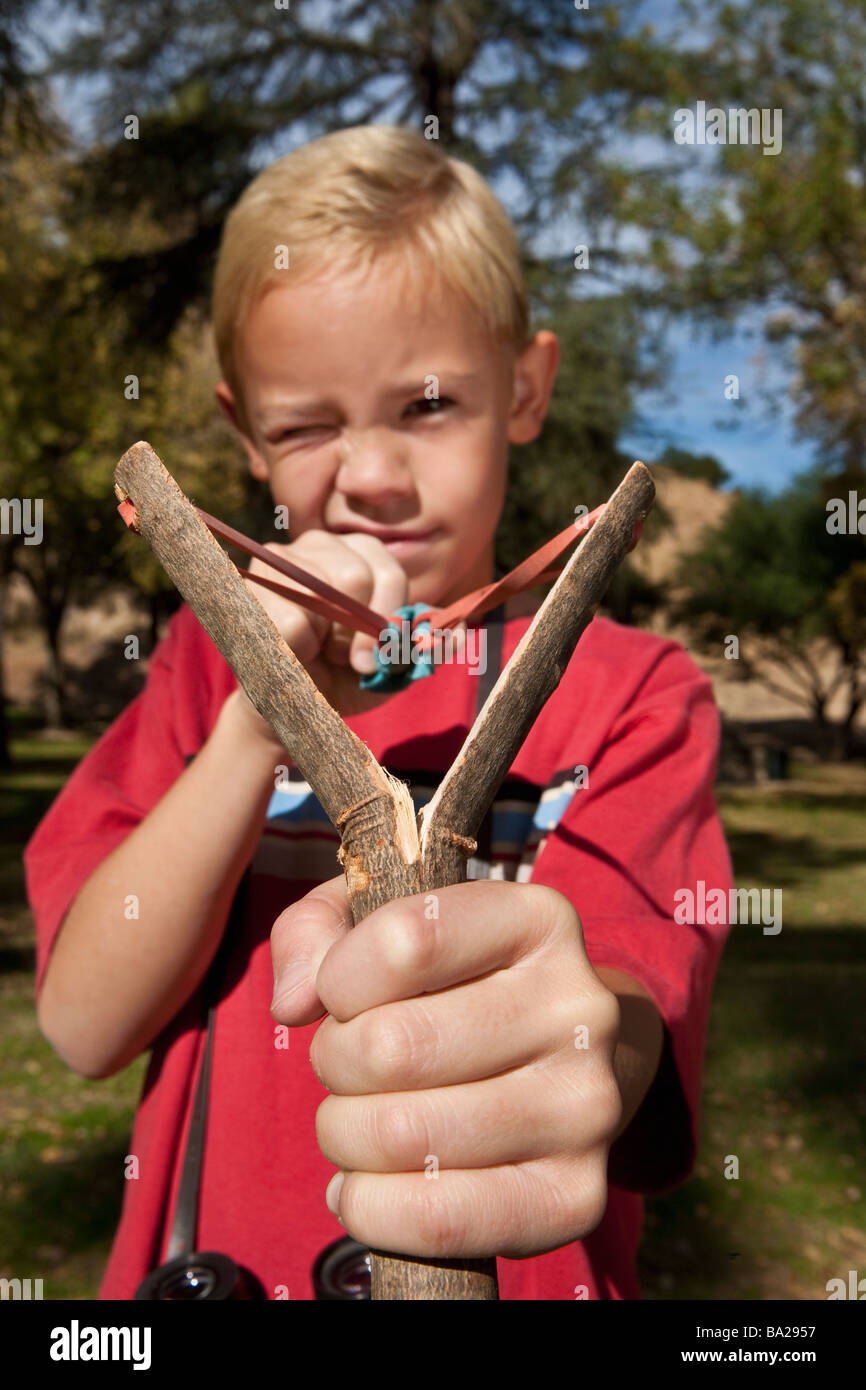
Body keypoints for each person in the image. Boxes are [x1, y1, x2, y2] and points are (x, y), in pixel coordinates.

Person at [24, 124, 733, 1301]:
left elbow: (625, 1020)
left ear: (526, 387)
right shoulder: (201, 677)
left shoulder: (631, 692)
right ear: (246, 435)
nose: (367, 476)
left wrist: (581, 1036)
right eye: (306, 425)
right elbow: (85, 1025)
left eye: (429, 404)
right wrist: (256, 724)